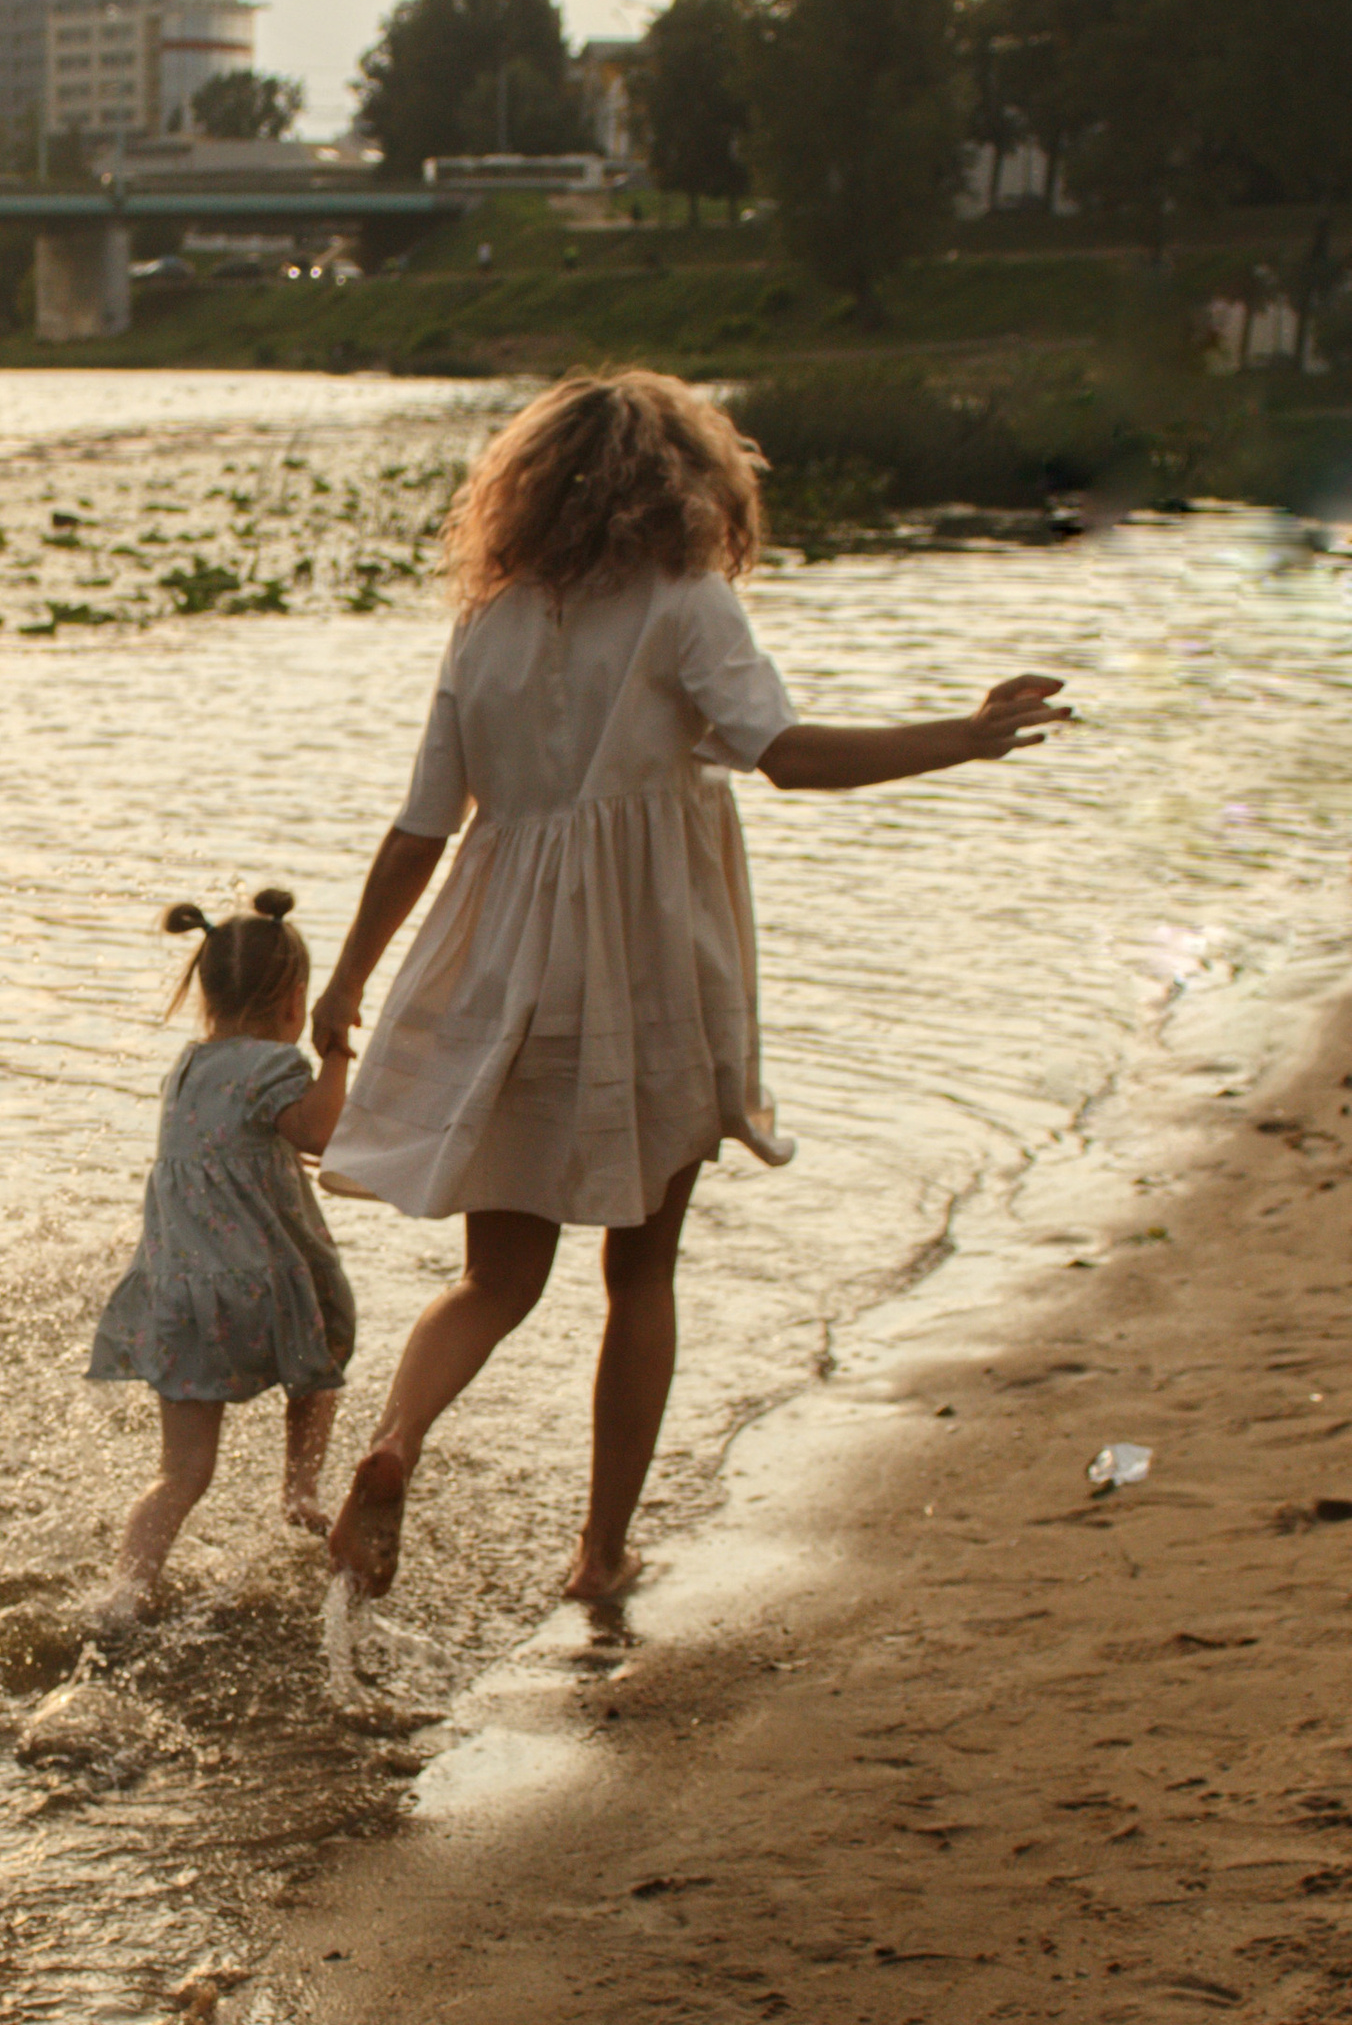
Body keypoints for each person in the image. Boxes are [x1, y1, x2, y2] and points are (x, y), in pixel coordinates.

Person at [309, 369, 1071, 1607]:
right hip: (648, 963)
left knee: (495, 1280)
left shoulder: (486, 622)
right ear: (688, 481)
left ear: (528, 491)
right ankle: (599, 1554)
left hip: (504, 967)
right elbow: (788, 759)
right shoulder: (685, 602)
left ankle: (395, 1445)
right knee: (640, 1275)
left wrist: (345, 979)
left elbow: (417, 830)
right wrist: (960, 736)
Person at [90, 888, 357, 1617]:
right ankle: (300, 1491)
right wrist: (335, 1059)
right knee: (319, 1359)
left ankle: (127, 1588)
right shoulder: (278, 1065)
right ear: (295, 999)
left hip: (180, 1295)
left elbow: (224, 1149)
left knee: (181, 1474)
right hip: (264, 1288)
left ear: (205, 993)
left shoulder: (184, 1070)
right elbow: (320, 1133)